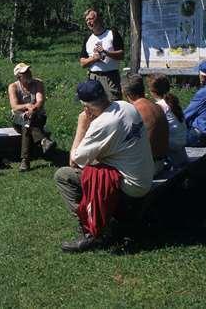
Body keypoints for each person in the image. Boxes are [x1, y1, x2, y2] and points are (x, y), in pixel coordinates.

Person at [54, 80, 155, 252]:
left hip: (130, 189)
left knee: (64, 175)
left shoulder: (103, 124)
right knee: (94, 168)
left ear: (87, 106)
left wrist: (82, 124)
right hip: (145, 178)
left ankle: (91, 231)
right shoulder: (126, 106)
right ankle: (101, 224)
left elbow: (74, 161)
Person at [8, 63, 55, 172]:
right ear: (19, 76)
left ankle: (25, 160)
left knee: (27, 124)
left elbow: (40, 101)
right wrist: (26, 106)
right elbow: (14, 106)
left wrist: (33, 109)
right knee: (26, 123)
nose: (29, 73)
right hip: (18, 119)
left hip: (37, 117)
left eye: (29, 71)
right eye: (25, 72)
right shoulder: (13, 87)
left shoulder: (38, 83)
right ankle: (43, 140)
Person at [121, 73, 169, 172]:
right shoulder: (157, 107)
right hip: (160, 163)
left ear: (127, 94)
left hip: (146, 168)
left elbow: (126, 144)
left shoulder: (134, 111)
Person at [79, 8, 125, 101]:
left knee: (114, 105)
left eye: (91, 19)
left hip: (110, 77)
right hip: (93, 78)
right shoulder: (88, 38)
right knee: (94, 106)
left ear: (99, 19)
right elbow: (82, 62)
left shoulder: (112, 34)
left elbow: (121, 55)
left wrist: (106, 53)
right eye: (86, 20)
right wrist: (94, 58)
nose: (88, 22)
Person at [147, 73, 188, 167]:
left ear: (152, 91)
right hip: (181, 142)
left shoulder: (159, 106)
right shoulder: (172, 102)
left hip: (172, 145)